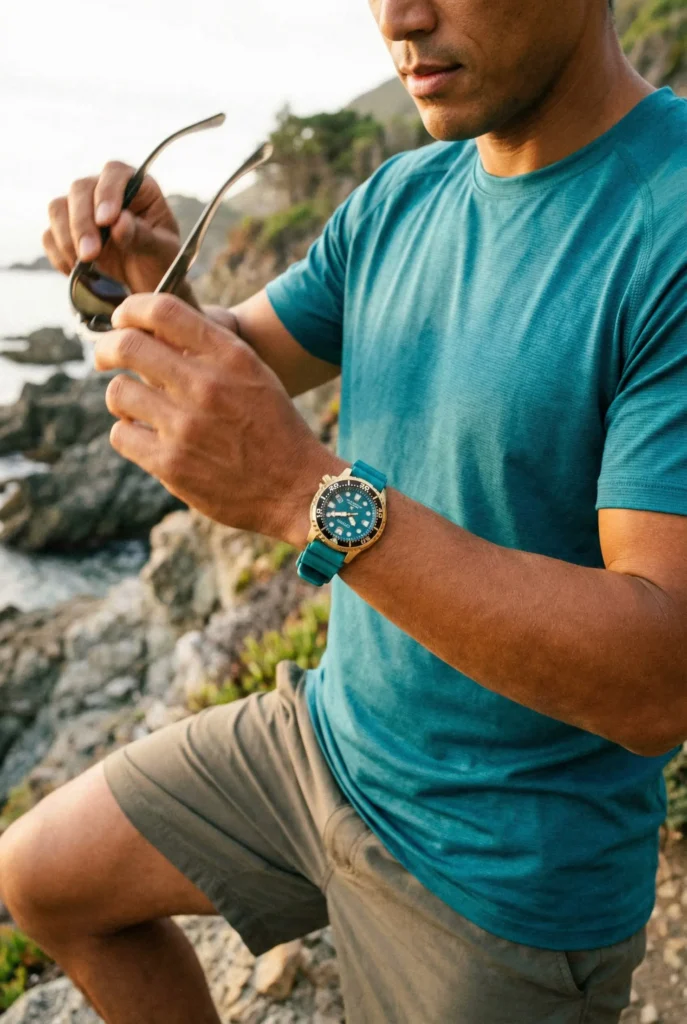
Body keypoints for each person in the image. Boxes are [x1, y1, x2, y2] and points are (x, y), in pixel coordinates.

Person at [2, 0, 686, 1021]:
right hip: (325, 737)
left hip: (502, 866)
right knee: (43, 879)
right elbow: (241, 344)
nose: (400, 18)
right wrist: (153, 277)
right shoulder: (403, 195)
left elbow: (659, 679)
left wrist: (300, 495)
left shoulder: (667, 218)